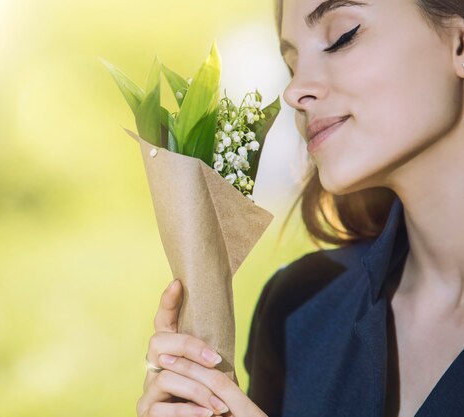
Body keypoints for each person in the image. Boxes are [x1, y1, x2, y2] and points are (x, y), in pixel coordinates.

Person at [135, 0, 464, 416]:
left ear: (460, 42)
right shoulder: (297, 310)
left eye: (342, 37)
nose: (293, 92)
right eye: (292, 66)